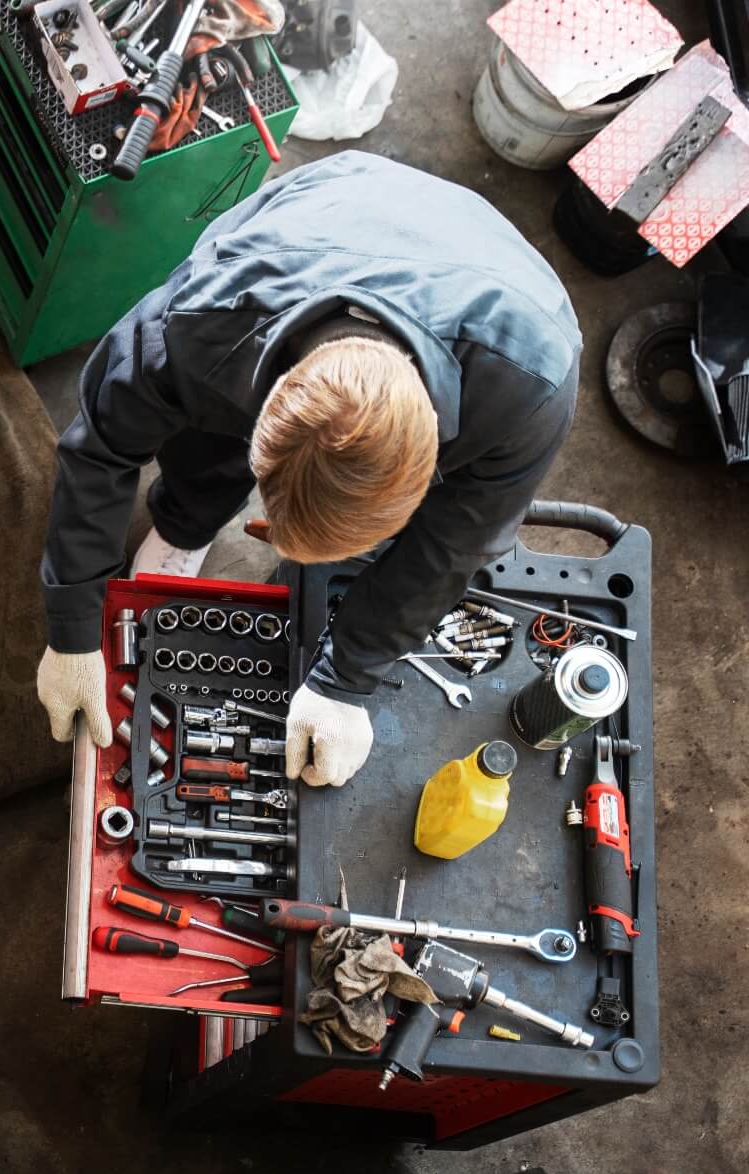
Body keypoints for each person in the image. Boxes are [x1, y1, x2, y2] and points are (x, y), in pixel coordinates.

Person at [34, 152, 579, 787]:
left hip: (494, 280)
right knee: (202, 443)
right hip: (336, 204)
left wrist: (348, 678)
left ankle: (198, 520)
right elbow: (100, 446)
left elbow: (449, 547)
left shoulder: (530, 391)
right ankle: (186, 523)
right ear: (265, 411)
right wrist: (73, 624)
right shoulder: (200, 321)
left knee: (452, 546)